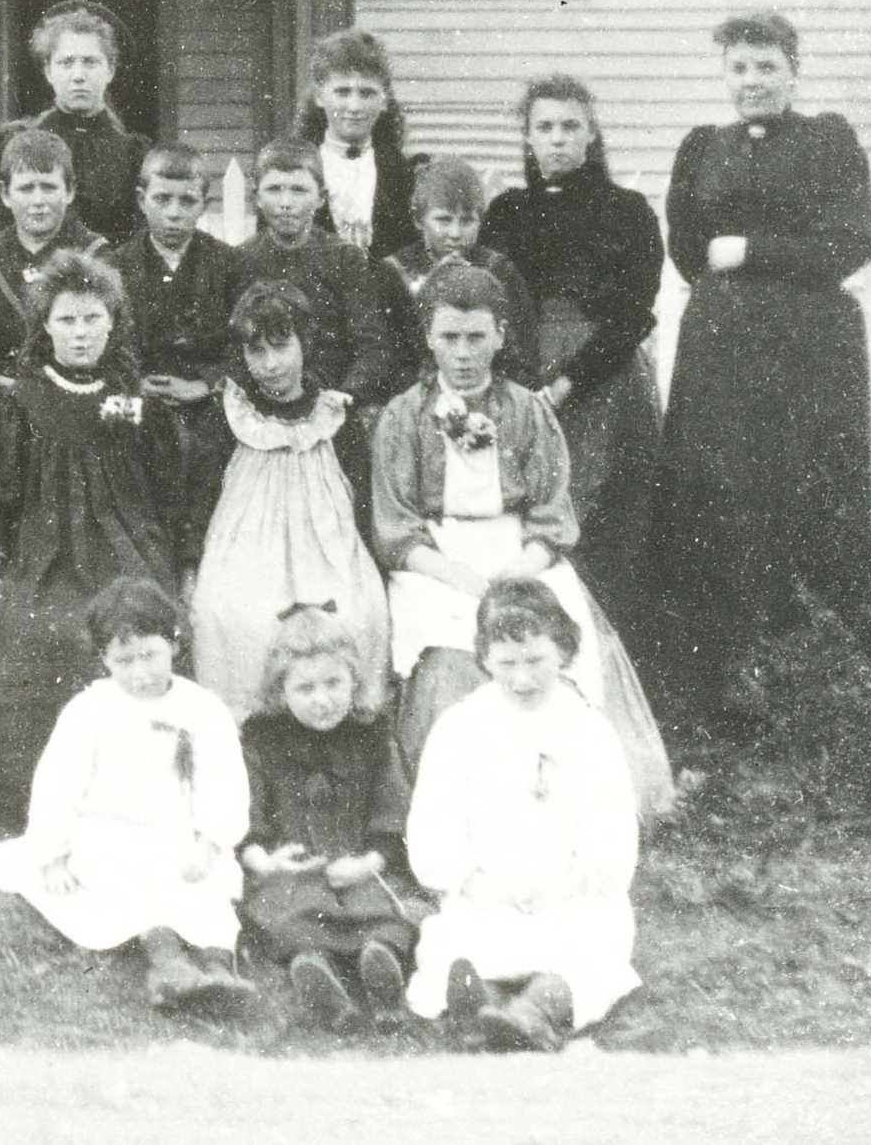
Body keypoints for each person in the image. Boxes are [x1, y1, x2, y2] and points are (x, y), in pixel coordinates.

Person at [372, 265, 671, 820]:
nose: (463, 354)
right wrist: (458, 577)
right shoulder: (403, 416)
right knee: (449, 650)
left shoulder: (529, 411)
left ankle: (562, 804)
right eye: (449, 338)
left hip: (520, 551)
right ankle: (466, 809)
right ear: (429, 337)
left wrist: (519, 568)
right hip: (435, 559)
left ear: (501, 336)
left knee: (564, 638)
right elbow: (395, 526)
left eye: (476, 338)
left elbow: (552, 516)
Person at [656, 11, 871, 713]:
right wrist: (732, 274)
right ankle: (720, 668)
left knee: (806, 484)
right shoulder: (703, 147)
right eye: (739, 68)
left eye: (765, 67)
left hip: (809, 346)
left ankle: (822, 664)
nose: (751, 82)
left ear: (793, 69)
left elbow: (851, 243)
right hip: (722, 346)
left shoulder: (829, 141)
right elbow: (688, 245)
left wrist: (753, 252)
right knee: (721, 488)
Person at [0, 250, 186, 818]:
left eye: (93, 319)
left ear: (113, 322)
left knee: (132, 631)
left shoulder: (139, 399)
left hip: (126, 552)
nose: (81, 333)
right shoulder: (16, 397)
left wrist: (176, 572)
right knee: (32, 635)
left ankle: (133, 799)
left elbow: (167, 500)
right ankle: (41, 801)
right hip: (42, 556)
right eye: (66, 320)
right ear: (44, 326)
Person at [0, 576, 254, 1012]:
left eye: (150, 655)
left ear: (174, 645)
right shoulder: (90, 710)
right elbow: (58, 783)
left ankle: (219, 970)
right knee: (133, 883)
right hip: (110, 829)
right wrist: (52, 854)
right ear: (104, 659)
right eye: (124, 661)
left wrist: (209, 841)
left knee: (205, 888)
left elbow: (224, 781)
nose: (140, 672)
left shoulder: (203, 709)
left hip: (182, 831)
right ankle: (170, 967)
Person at [404, 577, 641, 1049]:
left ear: (564, 651)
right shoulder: (460, 727)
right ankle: (483, 1005)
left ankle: (537, 1008)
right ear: (484, 658)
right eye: (506, 663)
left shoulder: (588, 730)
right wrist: (477, 882)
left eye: (536, 661)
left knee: (588, 945)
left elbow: (612, 834)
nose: (522, 679)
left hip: (570, 893)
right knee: (455, 943)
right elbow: (434, 827)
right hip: (488, 890)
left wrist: (568, 884)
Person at [478, 76, 666, 622]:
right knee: (532, 505)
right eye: (545, 128)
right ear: (528, 138)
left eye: (570, 127)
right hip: (526, 376)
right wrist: (527, 384)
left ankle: (610, 651)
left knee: (604, 511)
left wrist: (568, 381)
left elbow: (633, 315)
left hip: (604, 378)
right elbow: (496, 305)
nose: (557, 139)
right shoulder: (507, 213)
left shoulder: (626, 211)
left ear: (591, 134)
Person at [189, 281, 390, 719]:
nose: (270, 364)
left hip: (329, 549)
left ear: (306, 342)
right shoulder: (228, 417)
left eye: (281, 347)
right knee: (230, 615)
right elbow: (199, 501)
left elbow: (359, 505)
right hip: (244, 554)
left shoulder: (335, 415)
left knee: (359, 611)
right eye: (255, 352)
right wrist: (191, 566)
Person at [238, 603, 420, 1029]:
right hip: (294, 867)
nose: (322, 700)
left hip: (361, 863)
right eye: (306, 689)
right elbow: (248, 816)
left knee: (385, 912)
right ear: (280, 691)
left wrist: (370, 862)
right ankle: (318, 977)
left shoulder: (372, 734)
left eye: (334, 683)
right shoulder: (261, 740)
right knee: (294, 909)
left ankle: (383, 972)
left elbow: (393, 810)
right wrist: (265, 861)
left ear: (354, 681)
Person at [226, 138, 404, 531]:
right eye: (274, 189)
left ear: (321, 197)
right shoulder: (241, 261)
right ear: (256, 196)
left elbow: (372, 344)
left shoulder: (344, 259)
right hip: (262, 406)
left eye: (299, 189)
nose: (286, 202)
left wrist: (345, 393)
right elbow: (235, 343)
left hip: (329, 404)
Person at [113, 143, 239, 561]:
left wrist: (204, 384)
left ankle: (198, 558)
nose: (173, 213)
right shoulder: (118, 267)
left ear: (204, 204)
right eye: (162, 199)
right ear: (141, 200)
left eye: (187, 201)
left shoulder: (228, 265)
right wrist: (134, 382)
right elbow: (107, 344)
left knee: (212, 451)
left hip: (206, 403)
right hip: (139, 398)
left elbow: (244, 344)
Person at [0, 0, 145, 244]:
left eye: (91, 62)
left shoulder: (133, 155)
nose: (79, 76)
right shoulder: (12, 144)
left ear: (110, 70)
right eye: (66, 62)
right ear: (49, 71)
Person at [373, 157, 540, 383]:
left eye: (467, 221)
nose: (455, 233)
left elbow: (522, 355)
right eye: (443, 220)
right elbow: (388, 356)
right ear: (418, 220)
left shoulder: (498, 270)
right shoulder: (394, 272)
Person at [0, 127, 106, 382]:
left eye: (49, 187)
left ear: (69, 191)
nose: (38, 200)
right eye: (26, 188)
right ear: (5, 194)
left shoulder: (95, 255)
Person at [295, 27, 418, 258]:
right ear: (320, 97)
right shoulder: (296, 168)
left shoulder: (401, 173)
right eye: (342, 92)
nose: (354, 107)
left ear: (384, 101)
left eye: (367, 93)